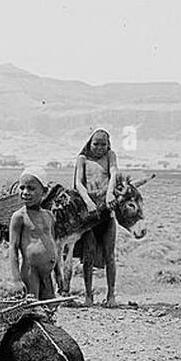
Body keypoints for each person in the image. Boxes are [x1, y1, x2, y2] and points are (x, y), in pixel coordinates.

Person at [73, 128, 120, 306]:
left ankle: (111, 296)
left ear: (108, 145)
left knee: (110, 255)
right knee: (89, 254)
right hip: (90, 214)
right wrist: (88, 201)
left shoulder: (110, 156)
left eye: (103, 144)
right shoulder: (82, 159)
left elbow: (114, 173)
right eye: (96, 144)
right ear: (89, 144)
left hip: (107, 213)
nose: (100, 148)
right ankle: (88, 296)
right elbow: (78, 182)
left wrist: (110, 194)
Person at [9, 168, 58, 300]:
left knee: (49, 309)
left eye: (31, 188)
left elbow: (52, 244)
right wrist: (16, 279)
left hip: (47, 274)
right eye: (22, 188)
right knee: (32, 307)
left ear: (44, 191)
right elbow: (13, 248)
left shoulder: (49, 216)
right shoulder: (19, 217)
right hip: (31, 272)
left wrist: (58, 272)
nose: (25, 192)